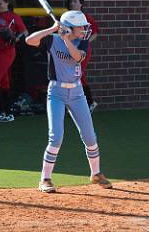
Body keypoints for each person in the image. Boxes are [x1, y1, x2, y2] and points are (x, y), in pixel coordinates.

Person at [25, 10, 112, 193]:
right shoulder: (52, 40)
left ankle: (96, 173)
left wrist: (66, 39)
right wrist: (52, 29)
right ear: (69, 28)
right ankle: (45, 179)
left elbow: (77, 57)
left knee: (89, 136)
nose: (84, 30)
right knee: (56, 137)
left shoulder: (83, 42)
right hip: (56, 92)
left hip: (77, 92)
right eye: (80, 27)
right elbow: (29, 40)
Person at [66, 0, 100, 112]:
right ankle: (80, 103)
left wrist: (85, 42)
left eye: (75, 1)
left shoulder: (87, 18)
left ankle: (89, 102)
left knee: (78, 74)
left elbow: (95, 33)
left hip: (83, 50)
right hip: (70, 49)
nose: (72, 4)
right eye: (71, 2)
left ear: (81, 4)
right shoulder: (67, 17)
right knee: (72, 74)